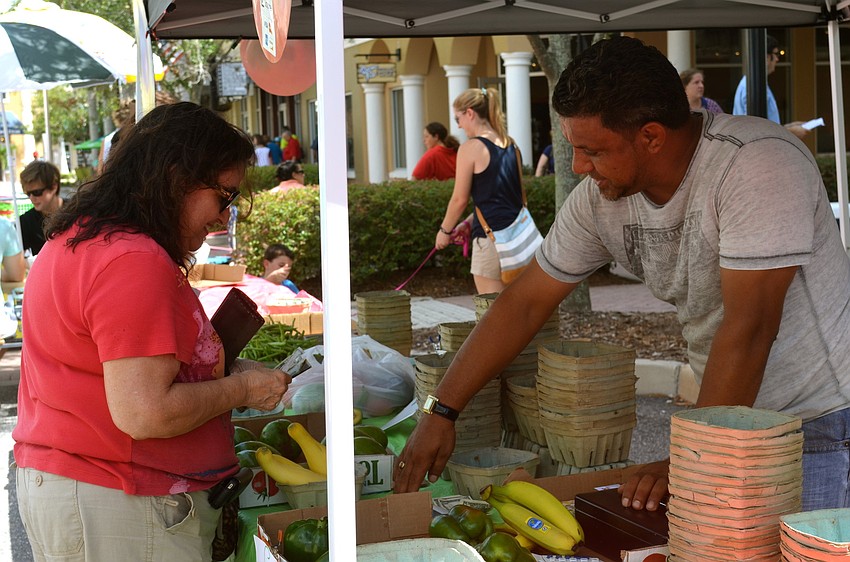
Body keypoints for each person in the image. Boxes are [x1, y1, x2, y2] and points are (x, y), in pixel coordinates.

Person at [393, 36, 850, 515]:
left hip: (821, 424)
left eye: (592, 150)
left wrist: (688, 459)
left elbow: (750, 328)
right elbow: (524, 302)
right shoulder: (600, 198)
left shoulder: (755, 164)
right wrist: (440, 410)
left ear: (651, 137)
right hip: (729, 423)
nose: (578, 166)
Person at [13, 102, 291, 561]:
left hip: (87, 491)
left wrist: (218, 373)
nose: (224, 217)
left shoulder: (84, 238)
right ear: (177, 179)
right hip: (118, 501)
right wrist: (240, 387)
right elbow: (145, 412)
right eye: (224, 196)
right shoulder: (132, 261)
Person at [435, 87, 523, 295]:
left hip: (490, 240)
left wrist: (444, 231)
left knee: (491, 312)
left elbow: (459, 199)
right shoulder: (511, 145)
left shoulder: (471, 148)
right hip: (518, 237)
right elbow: (505, 198)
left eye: (458, 118)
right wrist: (469, 221)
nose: (458, 125)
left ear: (470, 113)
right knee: (516, 310)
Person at [733, 35, 809, 139]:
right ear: (767, 57)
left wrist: (789, 127)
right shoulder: (753, 87)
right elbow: (756, 129)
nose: (777, 59)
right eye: (776, 54)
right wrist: (791, 132)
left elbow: (766, 124)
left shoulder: (757, 83)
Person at [19, 160, 63, 257]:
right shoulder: (26, 221)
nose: (31, 198)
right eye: (28, 194)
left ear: (54, 187)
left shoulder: (76, 212)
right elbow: (19, 260)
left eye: (37, 192)